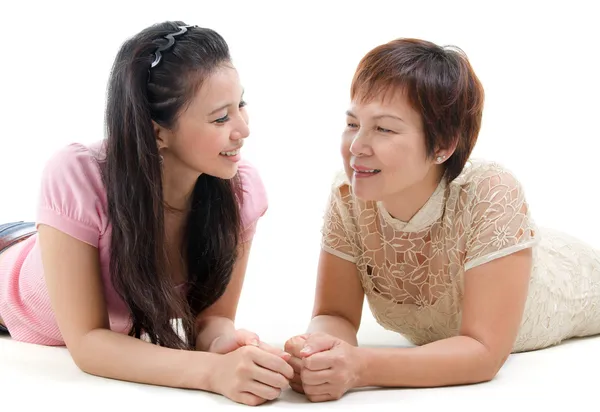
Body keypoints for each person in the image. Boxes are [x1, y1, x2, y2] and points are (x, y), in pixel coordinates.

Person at [284, 38, 600, 402]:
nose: (356, 146)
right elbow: (335, 313)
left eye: (383, 128)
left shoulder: (490, 191)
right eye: (353, 123)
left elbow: (483, 353)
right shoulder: (349, 193)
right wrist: (318, 354)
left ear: (443, 146)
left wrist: (360, 367)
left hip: (574, 275)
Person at [0, 21, 293, 407]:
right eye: (221, 118)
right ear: (158, 133)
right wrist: (211, 374)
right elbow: (88, 343)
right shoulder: (79, 173)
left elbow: (211, 320)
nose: (243, 128)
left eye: (241, 104)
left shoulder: (241, 193)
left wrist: (228, 346)